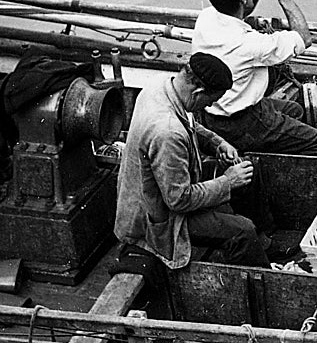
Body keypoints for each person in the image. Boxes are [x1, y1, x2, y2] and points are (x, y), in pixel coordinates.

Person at [114, 52, 269, 270]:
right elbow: (179, 200)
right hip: (157, 221)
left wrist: (217, 143)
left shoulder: (162, 88)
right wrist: (227, 182)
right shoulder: (167, 132)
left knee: (248, 172)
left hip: (162, 192)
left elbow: (191, 124)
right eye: (210, 101)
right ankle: (263, 277)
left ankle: (263, 246)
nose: (207, 107)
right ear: (198, 92)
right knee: (242, 231)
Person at [191, 0, 317, 154]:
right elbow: (304, 39)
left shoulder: (206, 18)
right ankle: (269, 174)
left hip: (215, 114)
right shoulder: (250, 44)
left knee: (295, 111)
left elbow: (236, 15)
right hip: (243, 123)